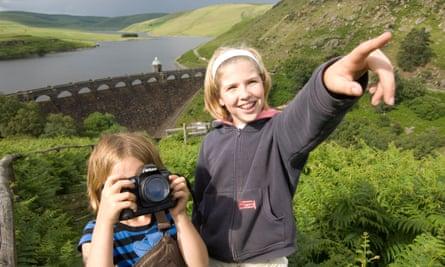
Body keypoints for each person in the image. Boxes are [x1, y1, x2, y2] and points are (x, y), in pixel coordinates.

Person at [192, 32, 395, 266]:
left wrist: (337, 76)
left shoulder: (279, 132)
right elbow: (201, 202)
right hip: (212, 257)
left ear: (263, 82)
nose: (245, 94)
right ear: (219, 97)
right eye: (232, 88)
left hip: (264, 260)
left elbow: (309, 108)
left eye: (251, 82)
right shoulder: (211, 142)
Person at [78, 132, 208, 267]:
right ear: (100, 189)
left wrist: (180, 215)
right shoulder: (98, 230)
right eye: (123, 184)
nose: (135, 190)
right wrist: (104, 221)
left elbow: (200, 265)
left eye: (141, 180)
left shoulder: (170, 218)